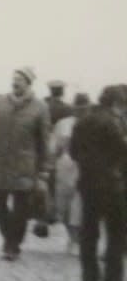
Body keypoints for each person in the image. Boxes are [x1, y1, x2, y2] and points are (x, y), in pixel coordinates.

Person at [0, 67, 51, 261]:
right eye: (14, 79)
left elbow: (44, 140)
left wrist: (44, 168)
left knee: (21, 208)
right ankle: (10, 237)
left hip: (25, 165)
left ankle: (12, 245)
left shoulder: (40, 108)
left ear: (28, 83)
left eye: (19, 80)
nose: (15, 82)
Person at [69, 85, 127, 281]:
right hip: (112, 184)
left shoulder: (83, 121)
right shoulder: (113, 123)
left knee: (89, 231)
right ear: (115, 104)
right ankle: (112, 279)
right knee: (117, 231)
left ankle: (89, 280)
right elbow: (123, 150)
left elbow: (73, 151)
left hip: (87, 182)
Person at [52, 92, 89, 252]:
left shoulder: (92, 123)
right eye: (79, 108)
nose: (81, 111)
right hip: (66, 166)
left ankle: (76, 239)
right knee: (65, 205)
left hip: (83, 166)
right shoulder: (64, 124)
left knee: (78, 204)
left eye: (84, 108)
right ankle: (73, 236)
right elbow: (55, 147)